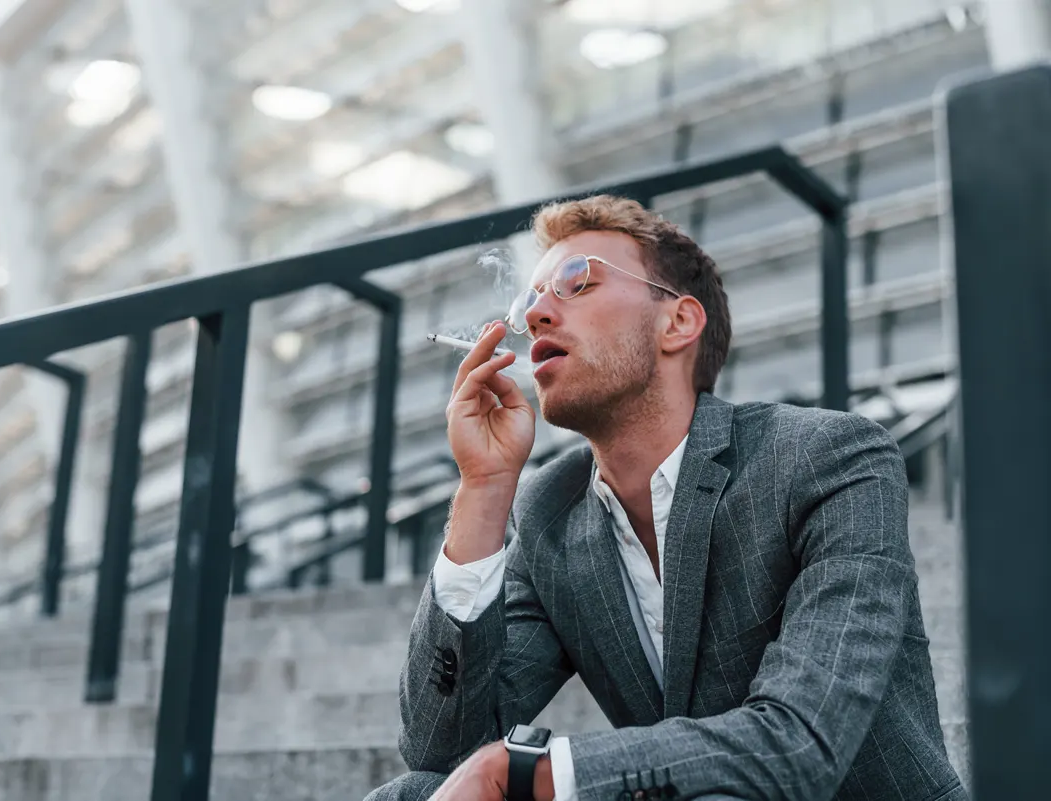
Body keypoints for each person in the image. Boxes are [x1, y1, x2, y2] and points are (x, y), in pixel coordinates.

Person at [365, 195, 963, 801]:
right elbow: (442, 752)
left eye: (576, 281)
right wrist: (484, 489)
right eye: (530, 299)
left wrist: (538, 771)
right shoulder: (550, 511)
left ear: (678, 322)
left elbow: (800, 741)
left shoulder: (827, 458)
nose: (537, 314)